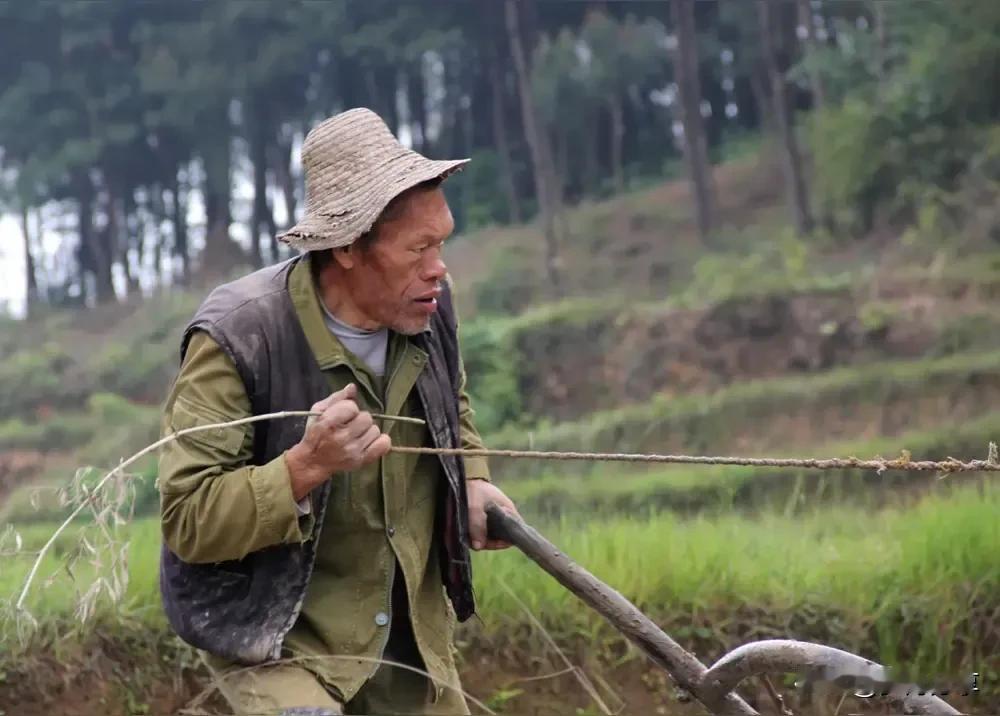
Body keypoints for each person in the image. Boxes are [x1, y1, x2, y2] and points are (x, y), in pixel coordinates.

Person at [157, 107, 520, 715]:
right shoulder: (239, 337)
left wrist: (474, 480)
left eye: (443, 243)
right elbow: (188, 520)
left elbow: (451, 404)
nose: (440, 268)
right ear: (349, 247)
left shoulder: (427, 305)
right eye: (419, 248)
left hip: (407, 639)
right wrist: (303, 467)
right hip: (278, 640)